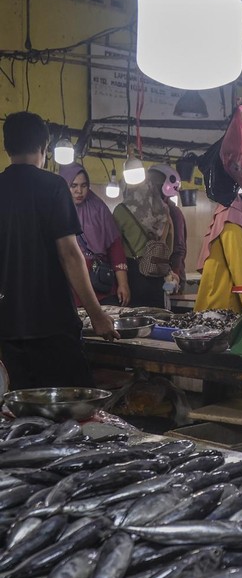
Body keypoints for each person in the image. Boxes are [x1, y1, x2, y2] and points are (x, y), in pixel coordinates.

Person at [0, 112, 117, 390]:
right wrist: (96, 313)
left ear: (6, 148)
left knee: (21, 413)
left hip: (7, 326)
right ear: (44, 148)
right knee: (70, 409)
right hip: (52, 323)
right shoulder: (53, 187)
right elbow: (69, 253)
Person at [58, 162, 130, 307]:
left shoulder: (99, 209)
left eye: (84, 185)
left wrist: (123, 284)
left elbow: (115, 247)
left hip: (100, 285)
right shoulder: (56, 211)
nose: (79, 191)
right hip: (69, 287)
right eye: (74, 185)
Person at [113, 170, 174, 309]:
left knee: (136, 321)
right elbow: (169, 244)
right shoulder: (163, 210)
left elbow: (115, 248)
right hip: (158, 273)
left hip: (133, 274)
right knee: (157, 317)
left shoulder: (121, 210)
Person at [149, 163, 187, 293]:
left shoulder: (174, 213)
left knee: (168, 310)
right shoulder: (148, 211)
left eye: (153, 185)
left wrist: (173, 278)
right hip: (155, 276)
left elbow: (179, 249)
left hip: (172, 278)